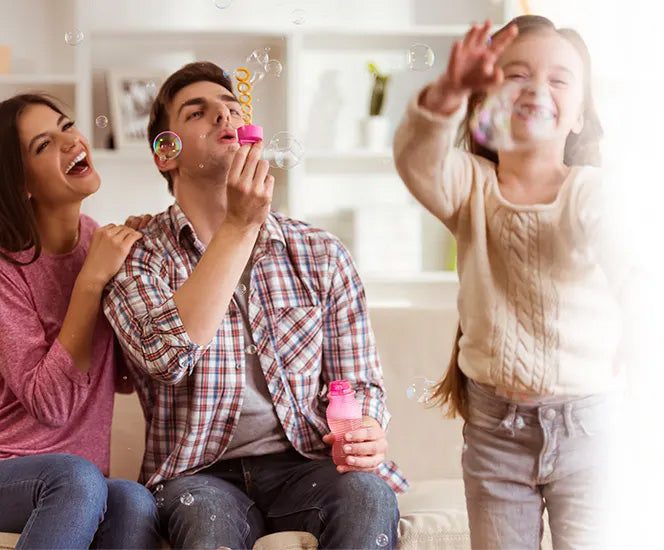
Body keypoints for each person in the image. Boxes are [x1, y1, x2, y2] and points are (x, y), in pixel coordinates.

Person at [103, 61, 406, 550]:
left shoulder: (319, 252)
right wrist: (238, 226)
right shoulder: (137, 256)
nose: (224, 118)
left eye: (232, 108)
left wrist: (366, 425)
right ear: (166, 155)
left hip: (305, 462)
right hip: (197, 474)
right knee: (206, 528)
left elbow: (360, 382)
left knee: (368, 497)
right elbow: (166, 357)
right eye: (198, 113)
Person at [393, 15, 635, 550]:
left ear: (577, 117)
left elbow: (632, 263)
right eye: (517, 75)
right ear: (485, 104)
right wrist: (449, 90)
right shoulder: (468, 186)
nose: (537, 89)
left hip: (590, 428)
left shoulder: (590, 193)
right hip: (495, 431)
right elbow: (416, 159)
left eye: (559, 79)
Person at [0, 93, 161, 549]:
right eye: (42, 145)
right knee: (77, 478)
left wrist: (139, 276)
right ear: (21, 183)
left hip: (80, 478)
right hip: (14, 470)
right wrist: (91, 281)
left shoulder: (98, 240)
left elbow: (123, 379)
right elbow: (51, 406)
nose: (71, 141)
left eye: (67, 125)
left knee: (132, 499)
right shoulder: (6, 270)